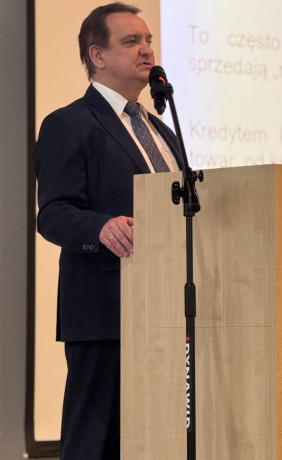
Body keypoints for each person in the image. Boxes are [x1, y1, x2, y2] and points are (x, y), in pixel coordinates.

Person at [34, 3, 182, 459]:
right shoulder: (69, 124)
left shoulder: (161, 131)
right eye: (131, 41)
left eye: (148, 40)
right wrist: (101, 226)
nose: (147, 50)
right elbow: (53, 213)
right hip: (103, 310)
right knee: (94, 444)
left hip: (166, 308)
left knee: (157, 440)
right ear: (97, 55)